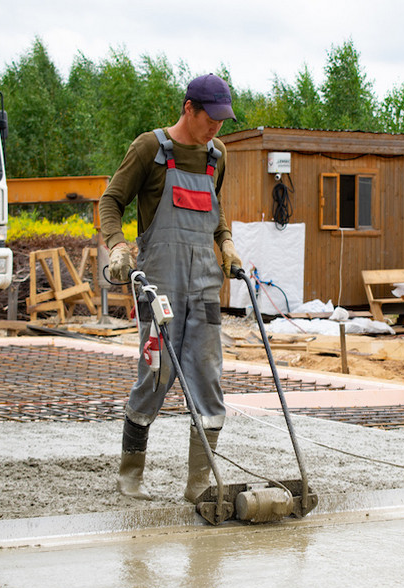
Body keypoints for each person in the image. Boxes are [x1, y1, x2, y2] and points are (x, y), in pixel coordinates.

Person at [99, 73, 242, 503]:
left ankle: (199, 483)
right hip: (160, 284)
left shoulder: (217, 155)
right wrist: (118, 247)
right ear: (188, 108)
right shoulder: (150, 149)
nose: (216, 128)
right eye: (210, 119)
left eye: (222, 120)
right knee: (157, 373)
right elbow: (111, 201)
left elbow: (214, 212)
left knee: (207, 376)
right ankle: (130, 475)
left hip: (204, 286)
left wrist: (227, 243)